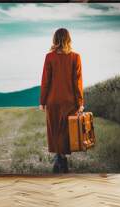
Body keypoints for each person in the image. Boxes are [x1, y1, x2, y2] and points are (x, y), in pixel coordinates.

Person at [39, 28, 84, 173]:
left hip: (53, 100)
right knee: (65, 131)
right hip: (69, 101)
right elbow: (77, 82)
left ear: (55, 40)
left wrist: (42, 101)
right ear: (68, 39)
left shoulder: (49, 57)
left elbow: (46, 81)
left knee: (55, 131)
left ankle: (59, 159)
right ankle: (62, 159)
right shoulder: (76, 57)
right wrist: (80, 102)